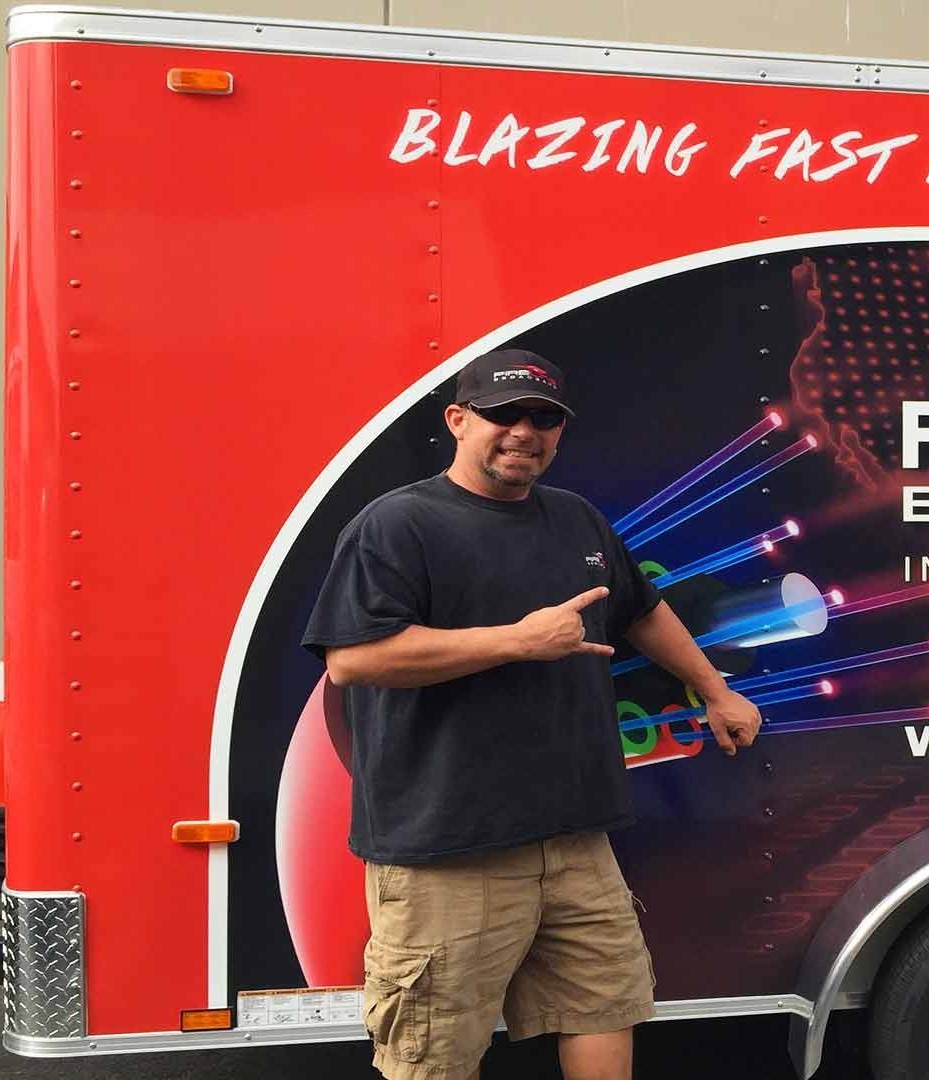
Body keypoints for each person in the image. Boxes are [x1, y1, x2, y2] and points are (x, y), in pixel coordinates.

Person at [301, 347, 762, 1080]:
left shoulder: (575, 519)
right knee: (433, 1055)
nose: (524, 431)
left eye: (543, 418)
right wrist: (516, 642)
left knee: (605, 1011)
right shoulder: (398, 525)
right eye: (503, 414)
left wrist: (714, 689)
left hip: (575, 839)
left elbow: (640, 610)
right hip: (447, 850)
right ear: (458, 420)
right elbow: (354, 659)